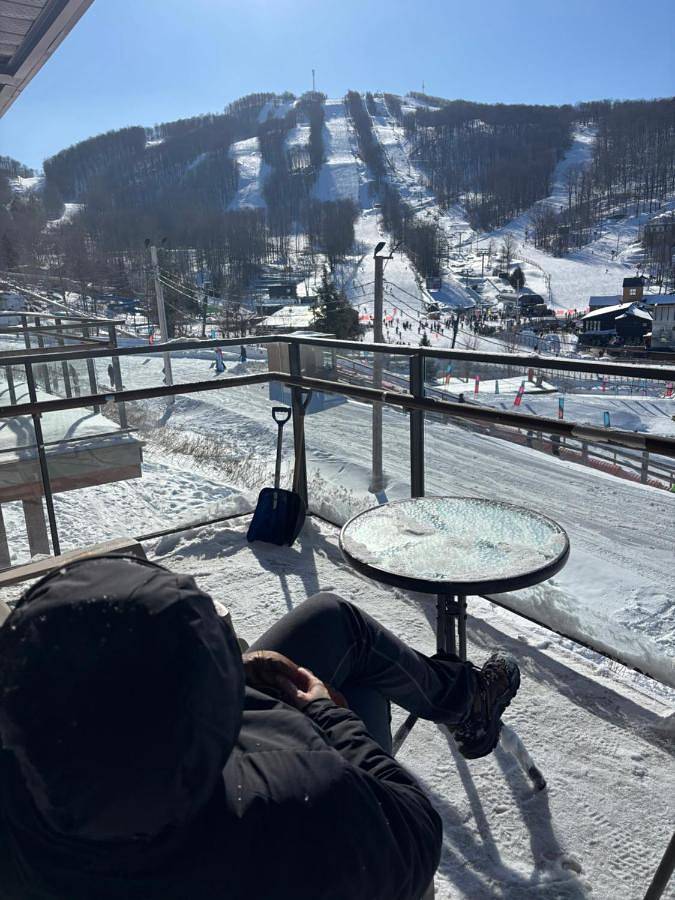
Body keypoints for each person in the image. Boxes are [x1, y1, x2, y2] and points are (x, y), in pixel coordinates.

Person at [0, 557, 520, 900]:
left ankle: (462, 700)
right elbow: (416, 827)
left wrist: (225, 680)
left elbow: (117, 733)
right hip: (326, 830)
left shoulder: (19, 800)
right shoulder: (306, 801)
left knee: (331, 621)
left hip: (171, 783)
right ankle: (467, 705)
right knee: (355, 678)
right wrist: (327, 714)